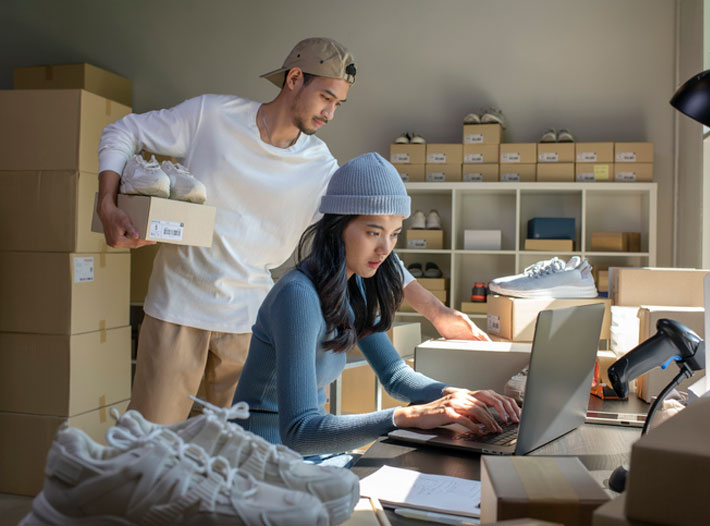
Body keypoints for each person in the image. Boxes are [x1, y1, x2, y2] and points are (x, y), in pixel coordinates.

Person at [96, 37, 488, 425]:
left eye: (338, 104)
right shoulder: (210, 116)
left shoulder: (319, 167)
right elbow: (122, 132)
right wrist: (108, 205)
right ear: (295, 78)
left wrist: (438, 313)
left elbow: (373, 238)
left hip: (249, 324)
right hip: (177, 310)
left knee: (237, 457)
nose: (330, 114)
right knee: (148, 448)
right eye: (325, 98)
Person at [232, 153, 520, 455]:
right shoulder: (298, 296)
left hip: (307, 457)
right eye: (374, 233)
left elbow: (395, 375)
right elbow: (300, 432)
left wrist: (455, 396)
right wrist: (406, 417)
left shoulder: (353, 285)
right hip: (262, 459)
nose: (385, 249)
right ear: (337, 227)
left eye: (394, 234)